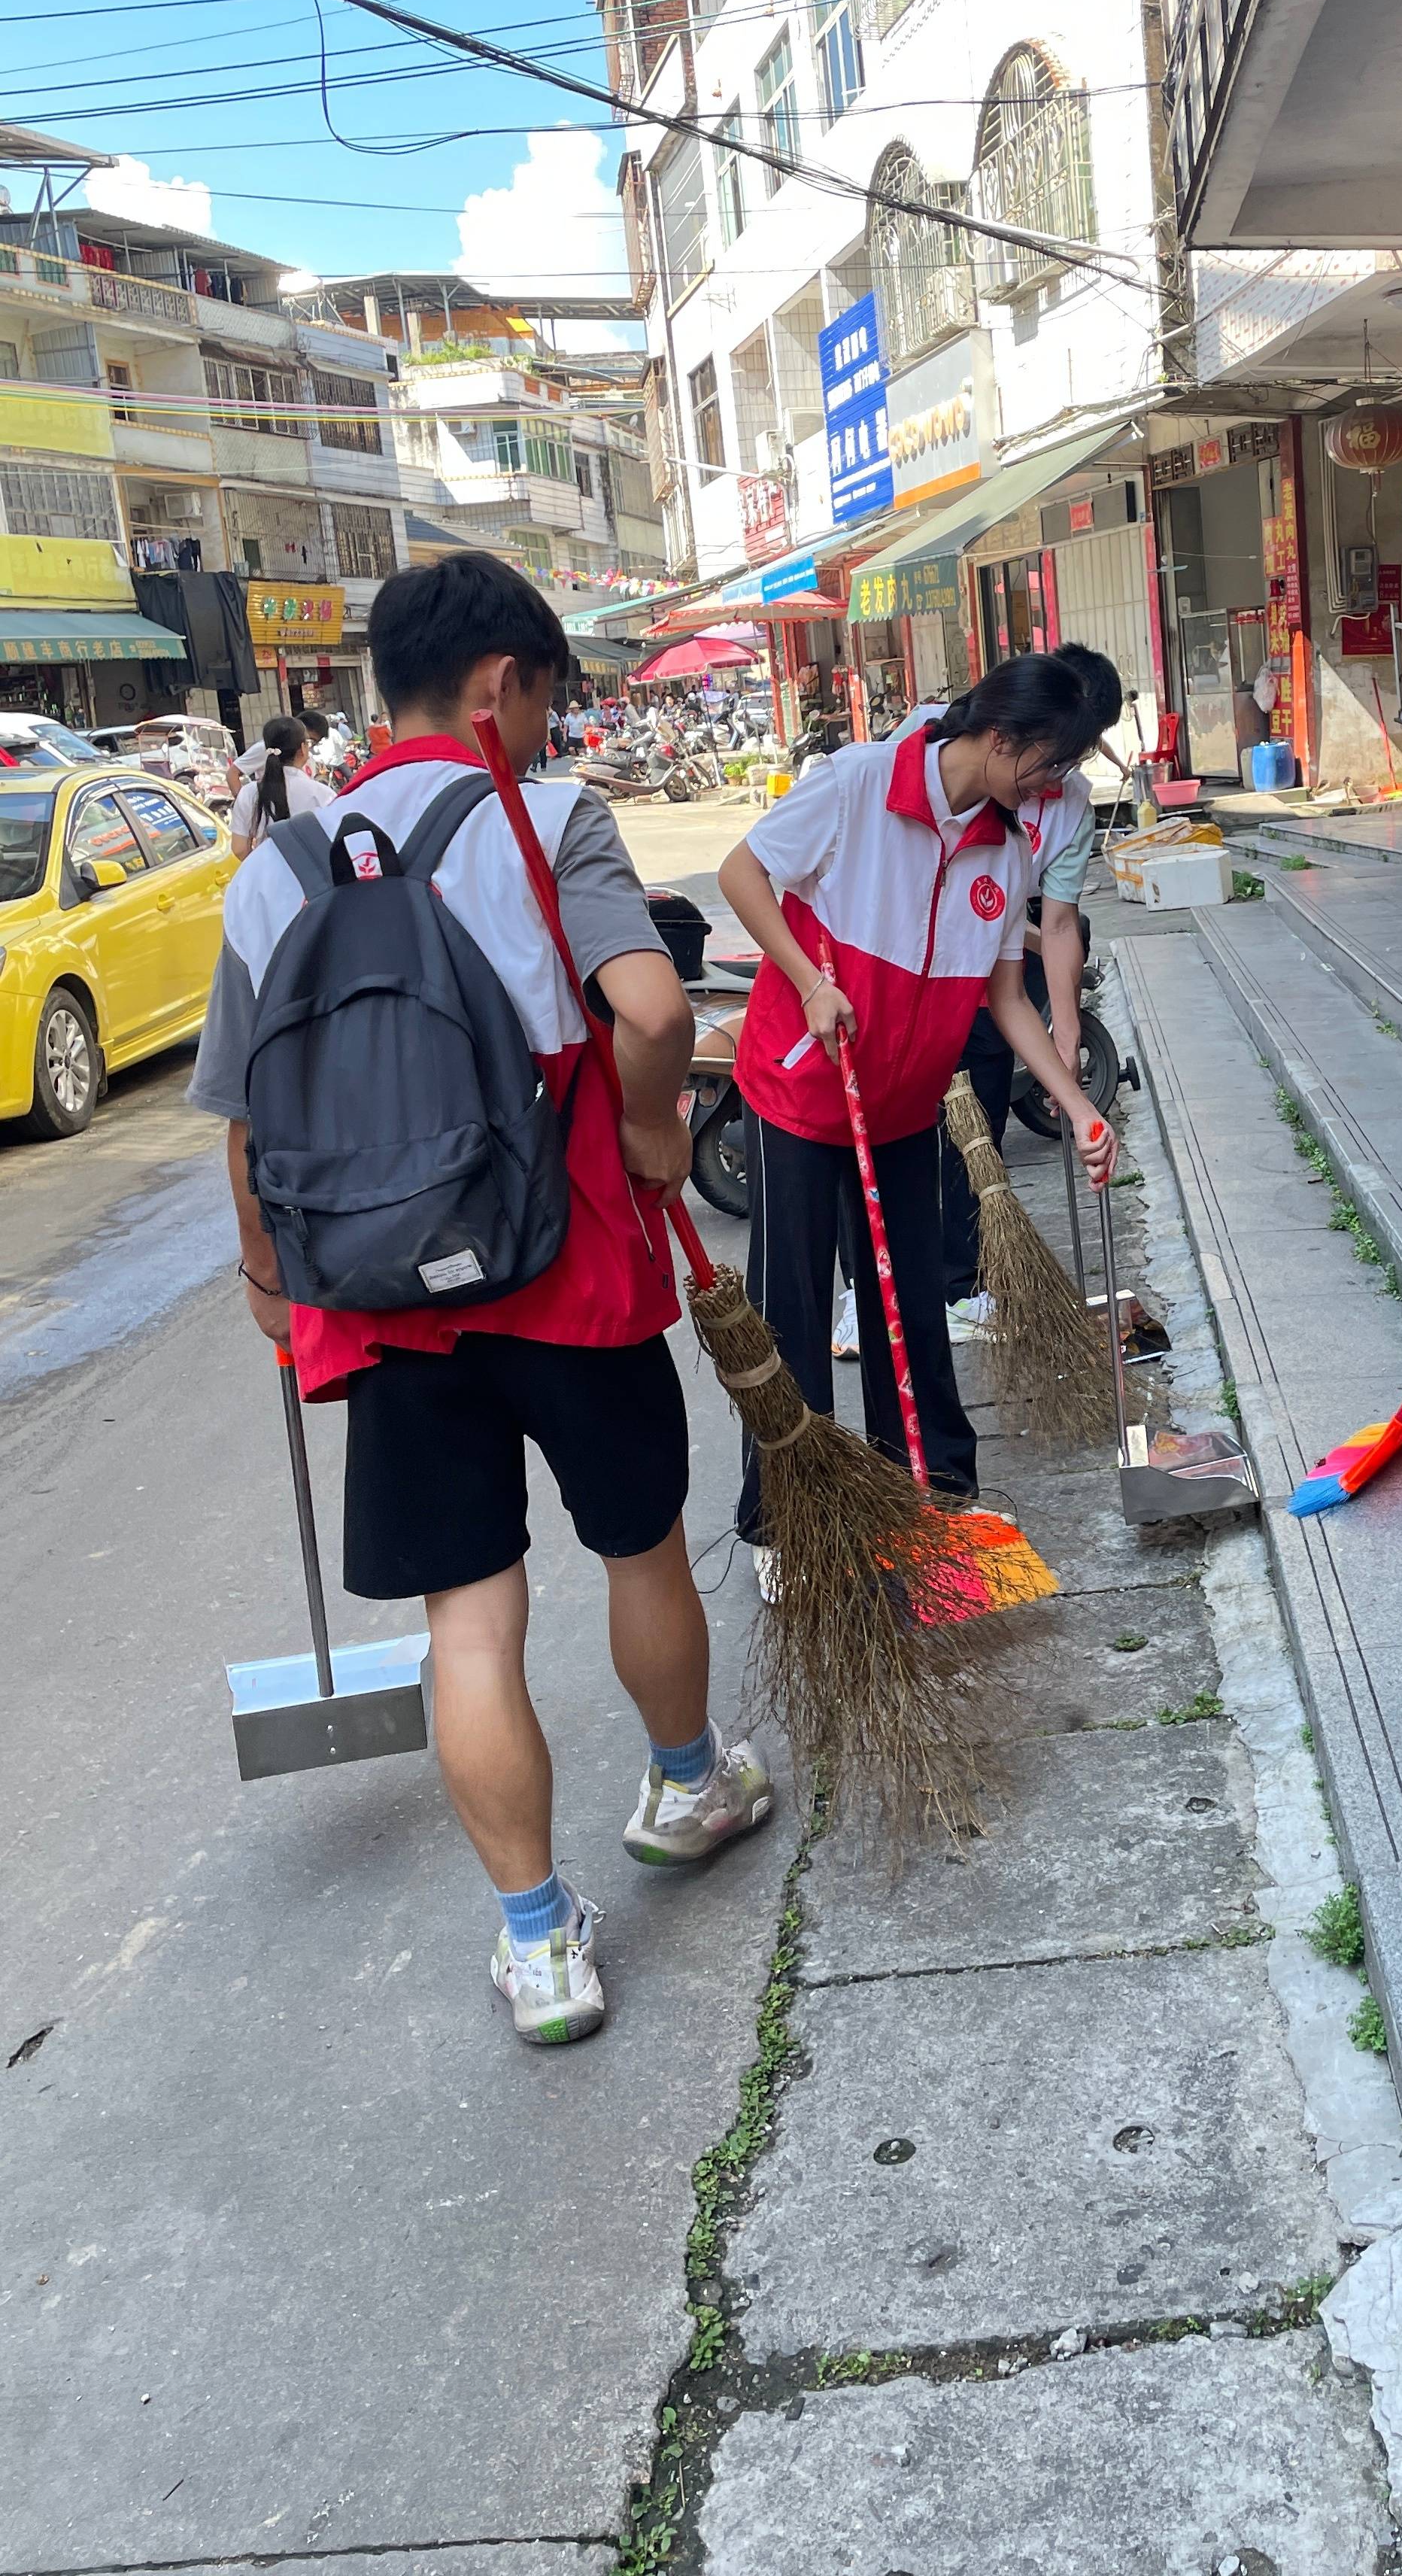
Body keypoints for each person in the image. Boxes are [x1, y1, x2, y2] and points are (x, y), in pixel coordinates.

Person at [189, 553, 766, 2049]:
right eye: (551, 702)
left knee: (470, 1621)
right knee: (641, 1550)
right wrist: (650, 1128)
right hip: (565, 1271)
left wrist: (270, 1287)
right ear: (501, 685)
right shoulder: (555, 822)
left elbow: (248, 1121)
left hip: (380, 1300)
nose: (553, 735)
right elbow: (650, 1010)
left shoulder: (277, 869)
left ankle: (541, 1946)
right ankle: (691, 1786)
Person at [718, 655, 1119, 1545]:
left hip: (900, 1107)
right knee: (793, 1314)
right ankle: (787, 1517)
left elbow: (1004, 997)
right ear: (1001, 737)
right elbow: (741, 874)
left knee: (911, 1306)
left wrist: (1080, 1104)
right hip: (800, 1090)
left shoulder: (1007, 849)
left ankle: (933, 1488)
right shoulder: (859, 785)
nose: (1054, 787)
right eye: (1049, 764)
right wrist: (807, 982)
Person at [831, 644, 1124, 1356]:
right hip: (892, 979)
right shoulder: (921, 745)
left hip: (988, 963)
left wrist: (1065, 1041)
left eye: (1075, 756)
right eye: (1057, 752)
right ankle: (863, 1295)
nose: (1062, 774)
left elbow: (1055, 927)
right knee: (876, 1152)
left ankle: (962, 1284)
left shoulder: (1058, 812)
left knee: (976, 1127)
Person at [229, 714, 329, 860]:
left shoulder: (249, 793)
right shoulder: (323, 794)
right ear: (302, 748)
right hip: (310, 875)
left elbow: (239, 849)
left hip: (268, 874)